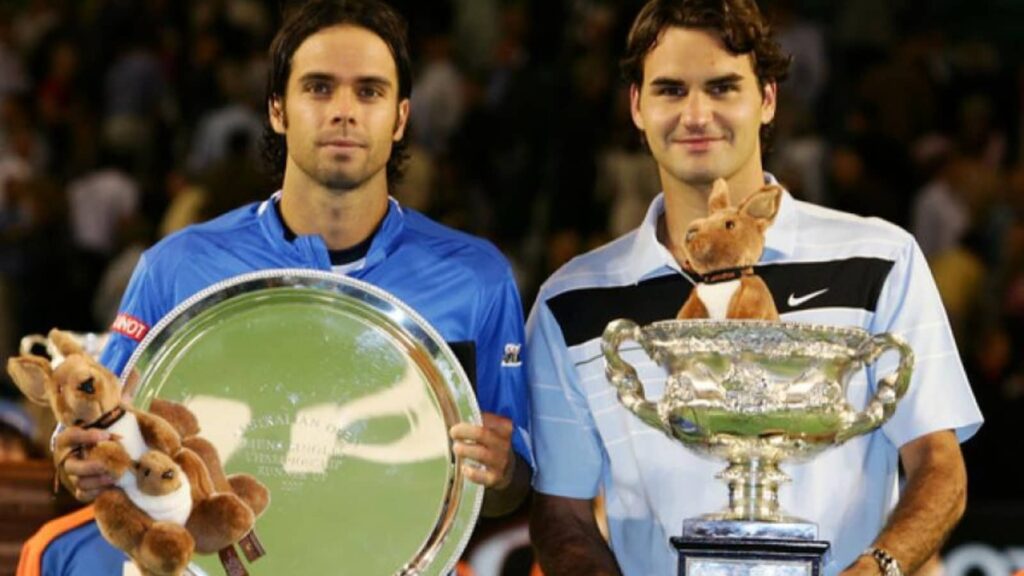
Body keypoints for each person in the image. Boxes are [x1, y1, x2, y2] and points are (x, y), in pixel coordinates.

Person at [37, 1, 533, 573]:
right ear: (278, 109)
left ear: (399, 119)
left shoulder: (476, 279)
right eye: (319, 88)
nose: (344, 111)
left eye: (369, 92)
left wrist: (501, 470)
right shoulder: (176, 267)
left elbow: (509, 482)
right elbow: (99, 429)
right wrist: (77, 458)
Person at [526, 1, 981, 575]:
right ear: (637, 107)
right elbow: (560, 509)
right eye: (670, 90)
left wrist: (876, 570)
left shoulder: (880, 258)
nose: (696, 114)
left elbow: (939, 464)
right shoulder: (571, 300)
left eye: (722, 88)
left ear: (766, 98)